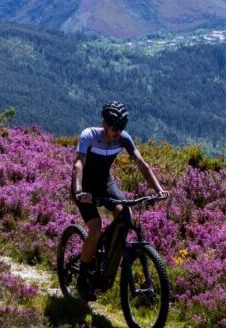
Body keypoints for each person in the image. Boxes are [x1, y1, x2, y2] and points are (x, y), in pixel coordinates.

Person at [70, 101, 168, 301]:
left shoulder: (123, 139)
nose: (117, 131)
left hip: (105, 183)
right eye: (113, 127)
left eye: (121, 127)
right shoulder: (89, 135)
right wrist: (79, 190)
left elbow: (142, 164)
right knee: (95, 228)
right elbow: (79, 164)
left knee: (126, 215)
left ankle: (107, 263)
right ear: (104, 123)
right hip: (85, 188)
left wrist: (159, 189)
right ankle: (83, 277)